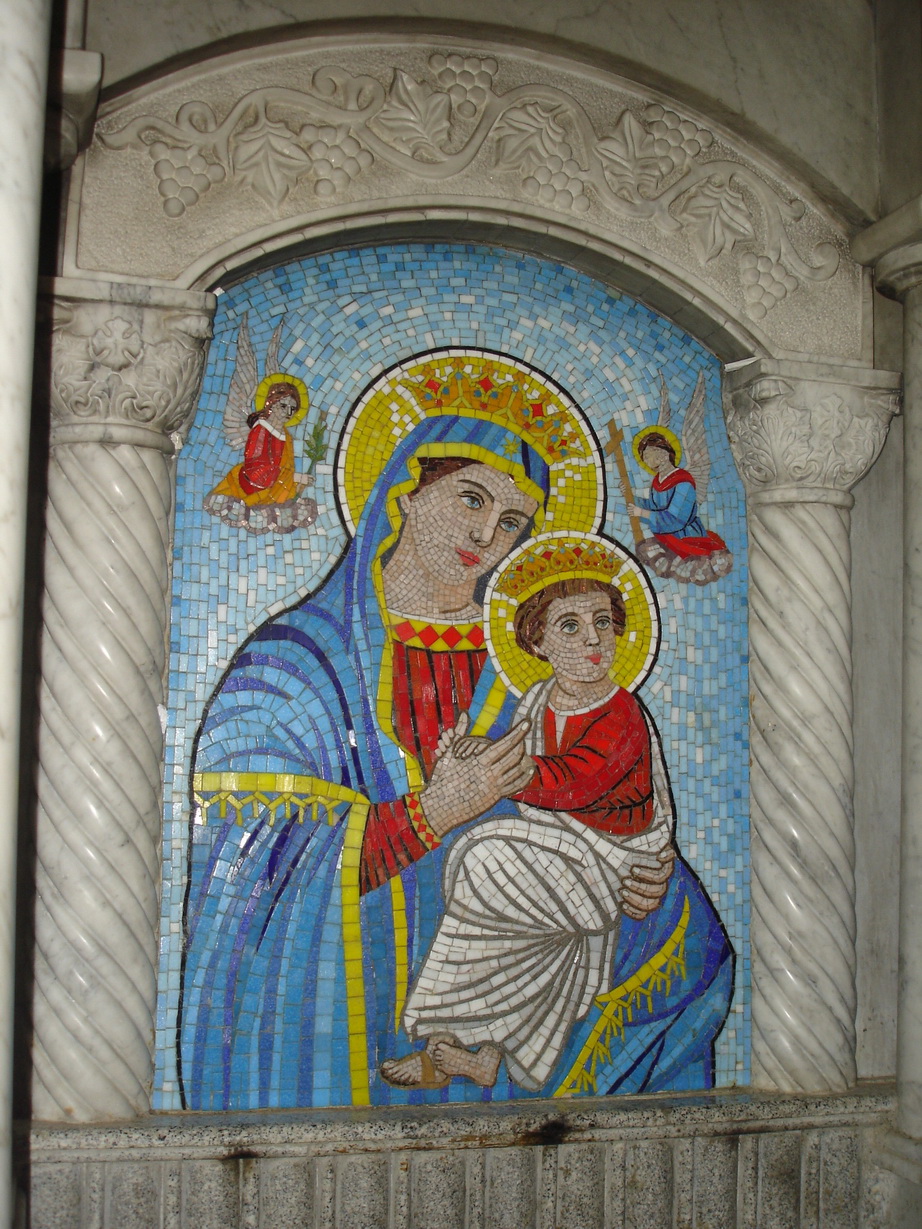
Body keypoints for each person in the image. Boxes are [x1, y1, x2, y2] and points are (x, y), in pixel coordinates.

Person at [180, 354, 727, 1110]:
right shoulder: (296, 664)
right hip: (345, 1029)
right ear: (405, 490)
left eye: (513, 522)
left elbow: (609, 793)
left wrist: (653, 877)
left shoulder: (536, 670)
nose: (486, 533)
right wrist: (432, 812)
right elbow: (249, 870)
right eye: (471, 497)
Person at [381, 537, 714, 1093]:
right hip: (565, 854)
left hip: (612, 865)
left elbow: (576, 779)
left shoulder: (621, 714)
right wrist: (475, 754)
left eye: (602, 622)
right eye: (570, 626)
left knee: (484, 862)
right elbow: (519, 752)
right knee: (516, 935)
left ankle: (448, 1037)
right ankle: (475, 1054)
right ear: (537, 641)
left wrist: (503, 775)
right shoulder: (539, 699)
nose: (593, 639)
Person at [629, 430, 732, 586]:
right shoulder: (658, 481)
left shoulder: (683, 481)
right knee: (644, 550)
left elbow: (676, 518)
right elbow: (654, 507)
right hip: (666, 536)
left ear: (663, 453)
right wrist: (631, 498)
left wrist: (643, 513)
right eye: (645, 458)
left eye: (649, 455)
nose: (647, 461)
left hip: (686, 536)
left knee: (687, 564)